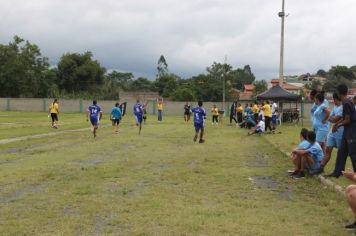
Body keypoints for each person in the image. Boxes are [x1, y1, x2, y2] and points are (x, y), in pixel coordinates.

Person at [326, 84, 356, 178]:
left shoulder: (346, 103)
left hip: (352, 132)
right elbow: (345, 117)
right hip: (347, 132)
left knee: (353, 154)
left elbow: (348, 120)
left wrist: (337, 125)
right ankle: (337, 172)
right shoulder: (347, 101)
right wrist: (337, 124)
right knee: (341, 152)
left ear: (338, 92)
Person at [311, 92, 343, 175]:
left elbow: (334, 118)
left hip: (339, 131)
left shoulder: (343, 107)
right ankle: (320, 168)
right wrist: (332, 119)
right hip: (332, 131)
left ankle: (339, 170)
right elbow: (332, 117)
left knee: (341, 152)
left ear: (336, 98)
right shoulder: (335, 106)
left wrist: (327, 119)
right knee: (328, 149)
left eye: (333, 99)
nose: (333, 101)